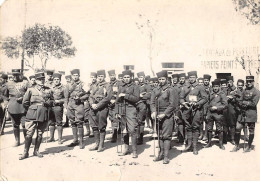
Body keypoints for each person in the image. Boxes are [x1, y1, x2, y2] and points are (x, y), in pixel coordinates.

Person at [19, 72, 54, 160]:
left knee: (40, 133)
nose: (41, 81)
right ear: (36, 80)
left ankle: (36, 151)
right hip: (32, 113)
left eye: (42, 79)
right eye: (39, 79)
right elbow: (25, 102)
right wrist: (31, 109)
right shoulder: (31, 90)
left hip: (43, 112)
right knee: (29, 133)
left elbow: (52, 101)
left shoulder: (48, 90)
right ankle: (25, 152)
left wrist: (50, 103)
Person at [151, 70, 178, 164]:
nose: (161, 81)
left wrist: (165, 114)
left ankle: (166, 157)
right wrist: (153, 111)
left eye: (163, 79)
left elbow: (173, 105)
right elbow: (152, 103)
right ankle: (160, 154)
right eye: (160, 79)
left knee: (166, 136)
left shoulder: (171, 90)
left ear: (166, 79)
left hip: (167, 115)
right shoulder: (155, 89)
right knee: (160, 135)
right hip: (158, 114)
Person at [180, 71, 208, 155]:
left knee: (195, 127)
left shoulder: (200, 87)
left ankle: (195, 147)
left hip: (196, 110)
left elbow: (205, 98)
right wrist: (183, 103)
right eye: (190, 77)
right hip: (187, 109)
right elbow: (181, 98)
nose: (191, 79)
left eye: (193, 77)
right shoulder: (185, 87)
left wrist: (198, 103)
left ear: (196, 77)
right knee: (188, 127)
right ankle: (189, 145)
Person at [115, 70, 140, 158]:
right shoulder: (120, 86)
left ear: (131, 77)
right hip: (122, 110)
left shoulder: (135, 86)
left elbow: (136, 99)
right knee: (124, 130)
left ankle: (134, 151)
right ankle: (126, 149)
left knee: (132, 130)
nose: (126, 79)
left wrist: (125, 95)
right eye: (124, 77)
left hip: (131, 109)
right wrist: (117, 111)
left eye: (128, 77)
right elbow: (117, 101)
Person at [231, 76, 260, 152]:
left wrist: (244, 102)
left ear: (253, 82)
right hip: (242, 113)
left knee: (251, 130)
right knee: (237, 128)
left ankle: (249, 146)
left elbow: (254, 103)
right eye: (247, 81)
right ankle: (236, 145)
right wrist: (243, 103)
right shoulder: (244, 91)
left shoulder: (257, 92)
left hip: (251, 114)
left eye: (250, 81)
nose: (249, 83)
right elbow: (240, 100)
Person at [88, 70, 112, 152]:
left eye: (101, 76)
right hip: (93, 108)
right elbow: (90, 96)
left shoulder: (108, 85)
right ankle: (97, 143)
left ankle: (101, 145)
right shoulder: (94, 85)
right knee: (94, 126)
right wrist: (92, 104)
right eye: (98, 76)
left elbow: (108, 98)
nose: (100, 78)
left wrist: (98, 105)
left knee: (102, 126)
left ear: (104, 77)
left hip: (102, 108)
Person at [64, 69, 89, 149]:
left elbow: (87, 95)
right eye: (73, 75)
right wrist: (65, 107)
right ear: (71, 76)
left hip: (79, 104)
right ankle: (75, 140)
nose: (75, 77)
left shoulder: (83, 84)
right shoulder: (68, 85)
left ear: (79, 75)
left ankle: (81, 141)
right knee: (72, 122)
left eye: (76, 75)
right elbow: (66, 97)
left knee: (79, 122)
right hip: (70, 104)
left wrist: (80, 98)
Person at [4, 69, 28, 146]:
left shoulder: (25, 83)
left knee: (24, 125)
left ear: (20, 75)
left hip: (23, 107)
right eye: (14, 75)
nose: (15, 77)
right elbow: (5, 95)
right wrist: (6, 103)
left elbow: (29, 93)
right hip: (13, 107)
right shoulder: (8, 84)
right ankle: (17, 141)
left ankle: (27, 140)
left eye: (17, 75)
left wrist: (23, 98)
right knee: (15, 124)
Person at [204, 79, 228, 150]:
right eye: (214, 86)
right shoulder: (210, 94)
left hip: (218, 114)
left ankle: (221, 144)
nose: (215, 88)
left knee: (219, 129)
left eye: (217, 86)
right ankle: (209, 142)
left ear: (219, 86)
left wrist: (217, 107)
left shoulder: (222, 94)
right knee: (209, 128)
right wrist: (206, 113)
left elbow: (225, 105)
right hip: (210, 113)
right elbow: (207, 103)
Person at [48, 73, 65, 144]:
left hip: (58, 107)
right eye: (55, 79)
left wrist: (60, 101)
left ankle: (60, 139)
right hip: (51, 106)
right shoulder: (50, 87)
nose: (56, 81)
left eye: (58, 79)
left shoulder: (63, 88)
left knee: (59, 122)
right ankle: (51, 137)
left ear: (60, 80)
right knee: (51, 122)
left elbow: (66, 98)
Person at [136, 71, 152, 145]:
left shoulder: (147, 86)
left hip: (143, 104)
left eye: (141, 77)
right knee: (136, 121)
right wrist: (139, 95)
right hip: (136, 105)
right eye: (139, 77)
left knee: (141, 121)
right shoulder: (136, 86)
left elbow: (149, 95)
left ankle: (140, 138)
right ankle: (137, 136)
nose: (140, 79)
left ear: (144, 77)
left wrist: (142, 96)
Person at [107, 70, 120, 143]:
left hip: (116, 103)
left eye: (113, 75)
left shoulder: (119, 83)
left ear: (115, 75)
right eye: (110, 75)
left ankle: (115, 135)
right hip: (109, 104)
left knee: (115, 119)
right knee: (111, 118)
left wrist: (115, 100)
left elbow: (120, 92)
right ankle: (113, 132)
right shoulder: (108, 84)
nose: (112, 76)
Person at [83, 72, 97, 138]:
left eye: (94, 77)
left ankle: (92, 131)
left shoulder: (97, 85)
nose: (93, 78)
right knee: (85, 116)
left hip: (94, 102)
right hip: (87, 101)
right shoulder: (88, 85)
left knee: (93, 116)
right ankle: (88, 130)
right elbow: (85, 93)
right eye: (92, 77)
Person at [226, 76, 237, 145]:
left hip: (232, 108)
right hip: (225, 109)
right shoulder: (225, 89)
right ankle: (226, 137)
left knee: (232, 124)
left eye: (230, 82)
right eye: (228, 82)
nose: (229, 83)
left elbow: (238, 99)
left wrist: (232, 99)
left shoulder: (236, 90)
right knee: (226, 124)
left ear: (233, 82)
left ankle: (233, 139)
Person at [202, 74, 212, 141]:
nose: (206, 81)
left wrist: (209, 93)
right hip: (202, 106)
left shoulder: (211, 88)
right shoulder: (201, 87)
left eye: (207, 80)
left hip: (208, 106)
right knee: (200, 121)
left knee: (207, 121)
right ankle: (201, 134)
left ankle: (206, 135)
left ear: (209, 81)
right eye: (205, 80)